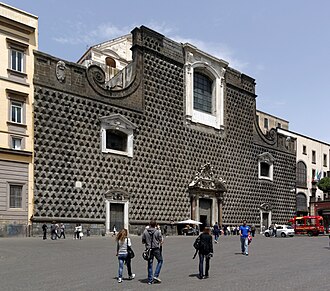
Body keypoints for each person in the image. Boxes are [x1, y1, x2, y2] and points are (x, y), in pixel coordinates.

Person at [142, 220, 163, 285]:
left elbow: (143, 241)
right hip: (156, 249)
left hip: (148, 250)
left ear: (149, 224)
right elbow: (160, 240)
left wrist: (147, 242)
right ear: (155, 225)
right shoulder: (157, 232)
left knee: (150, 264)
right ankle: (156, 275)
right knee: (160, 261)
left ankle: (150, 280)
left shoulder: (145, 232)